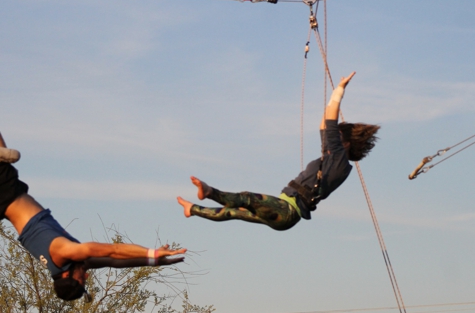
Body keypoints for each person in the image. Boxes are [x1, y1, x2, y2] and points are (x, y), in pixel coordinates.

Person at [177, 72, 379, 231]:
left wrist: (339, 91)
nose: (330, 136)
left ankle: (209, 191)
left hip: (287, 211)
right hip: (285, 211)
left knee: (247, 198)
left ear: (344, 143)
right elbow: (324, 125)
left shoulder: (338, 158)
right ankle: (192, 209)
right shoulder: (335, 162)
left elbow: (329, 121)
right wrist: (333, 95)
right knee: (235, 212)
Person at [0, 133, 186, 301]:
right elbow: (114, 262)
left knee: (9, 155)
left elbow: (113, 250)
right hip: (9, 198)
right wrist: (154, 260)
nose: (86, 276)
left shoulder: (63, 253)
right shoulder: (70, 261)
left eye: (82, 279)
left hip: (6, 195)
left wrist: (152, 252)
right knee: (7, 156)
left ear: (67, 276)